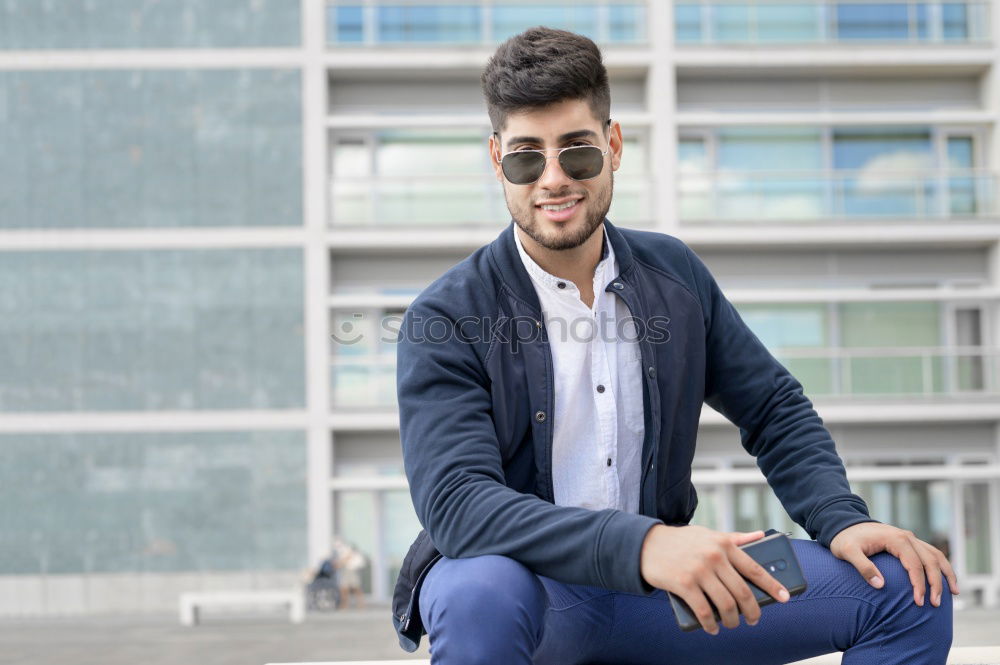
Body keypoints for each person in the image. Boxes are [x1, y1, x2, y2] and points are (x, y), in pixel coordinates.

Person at [391, 26, 960, 665]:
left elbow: (773, 406)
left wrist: (841, 516)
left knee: (909, 590)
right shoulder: (446, 315)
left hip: (660, 594)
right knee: (479, 592)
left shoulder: (674, 278)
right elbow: (460, 506)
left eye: (577, 151)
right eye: (527, 156)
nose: (553, 179)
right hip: (535, 598)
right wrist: (642, 544)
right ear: (498, 160)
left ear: (613, 145)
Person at [333, 537, 367, 610]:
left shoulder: (346, 548)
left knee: (356, 588)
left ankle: (361, 605)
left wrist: (340, 563)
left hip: (351, 570)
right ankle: (345, 605)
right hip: (346, 570)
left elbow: (347, 557)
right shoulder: (339, 551)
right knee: (344, 589)